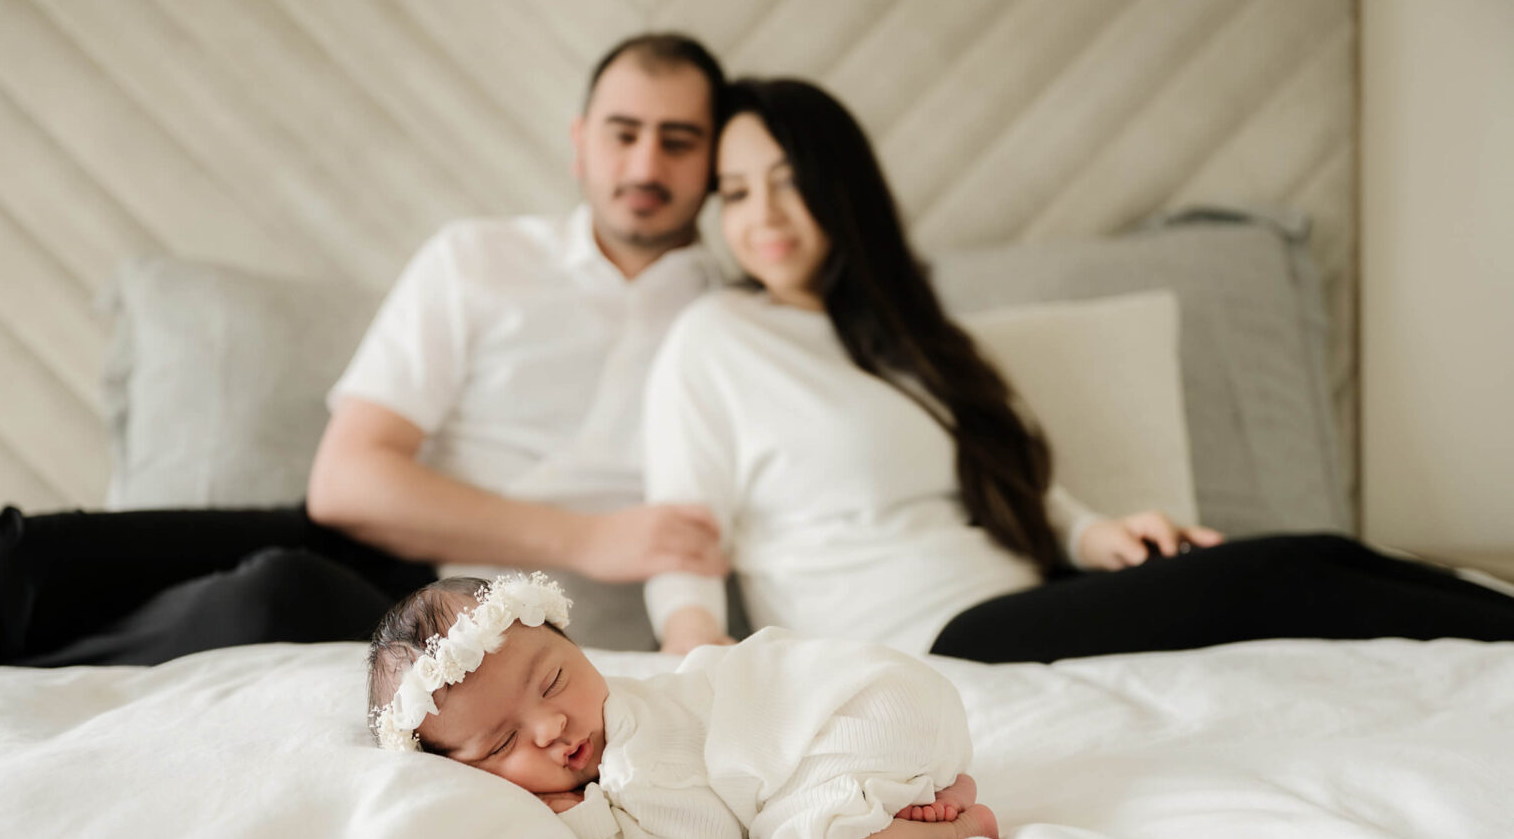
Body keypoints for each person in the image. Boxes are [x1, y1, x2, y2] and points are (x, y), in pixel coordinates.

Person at [0, 33, 730, 668]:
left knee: (273, 602)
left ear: (715, 159)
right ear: (582, 141)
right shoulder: (478, 258)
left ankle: (22, 679)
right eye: (624, 134)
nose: (645, 164)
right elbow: (348, 482)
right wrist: (589, 539)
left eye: (679, 140)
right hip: (365, 537)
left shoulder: (730, 328)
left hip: (481, 618)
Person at [641, 77, 1514, 661]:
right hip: (922, 639)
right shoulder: (713, 340)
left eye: (789, 182)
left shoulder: (905, 337)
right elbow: (681, 540)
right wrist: (706, 670)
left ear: (842, 189)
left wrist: (1098, 536)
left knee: (1312, 557)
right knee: (1277, 579)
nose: (763, 215)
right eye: (738, 191)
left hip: (1022, 596)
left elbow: (1014, 476)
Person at [366, 571, 998, 839]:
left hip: (857, 704)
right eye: (503, 742)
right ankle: (920, 786)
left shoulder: (636, 749)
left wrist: (589, 821)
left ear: (573, 646)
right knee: (802, 793)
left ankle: (954, 829)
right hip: (892, 705)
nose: (549, 726)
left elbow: (713, 834)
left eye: (554, 680)